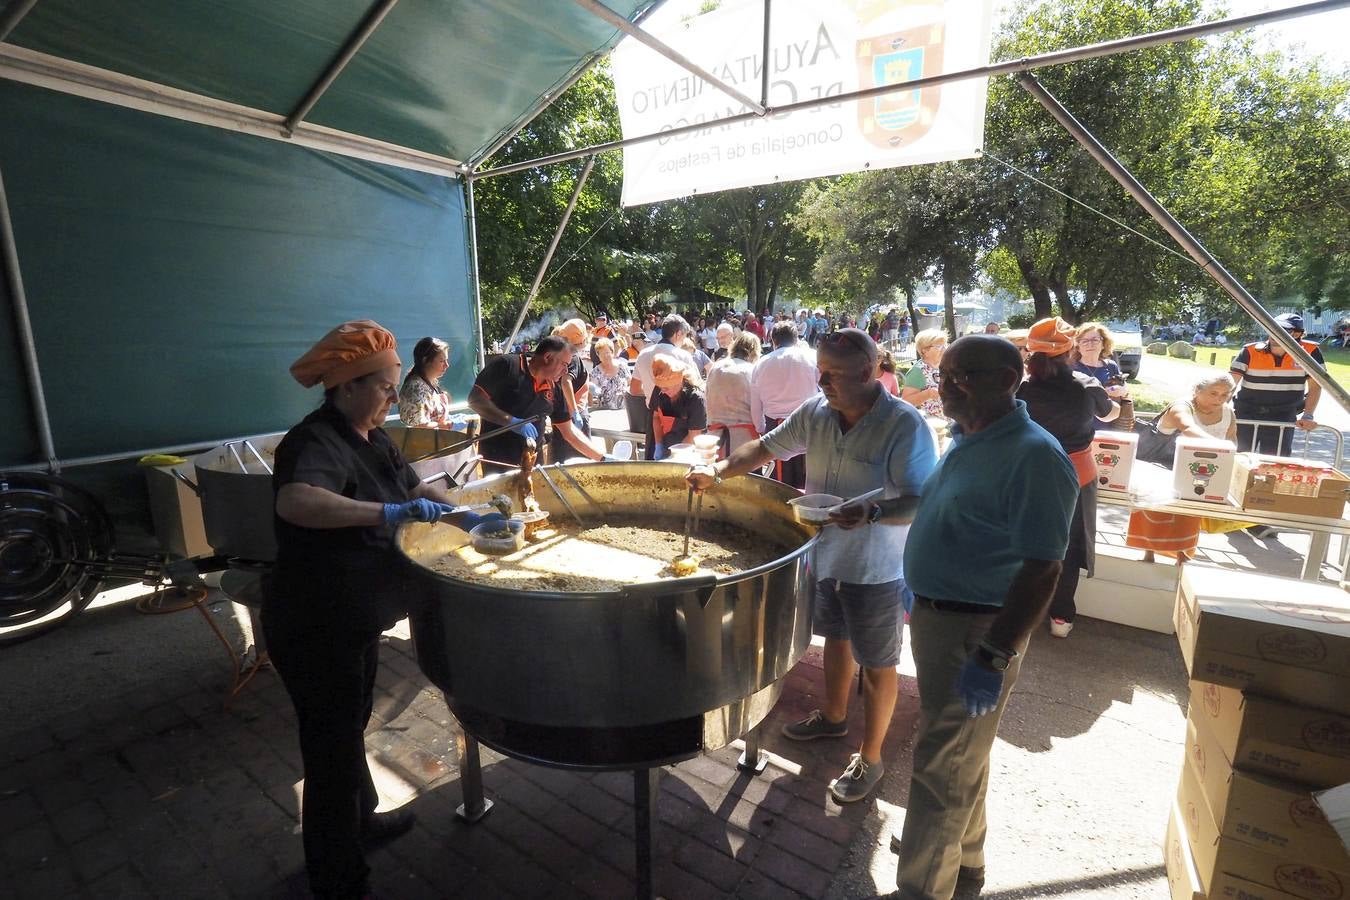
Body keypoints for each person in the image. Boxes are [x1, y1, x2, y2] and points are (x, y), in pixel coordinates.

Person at [264, 320, 505, 900]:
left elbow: (418, 491)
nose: (395, 397)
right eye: (385, 387)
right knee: (330, 747)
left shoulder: (375, 437)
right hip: (313, 619)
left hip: (355, 615)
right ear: (347, 386)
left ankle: (362, 822)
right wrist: (385, 514)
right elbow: (296, 502)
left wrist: (468, 515)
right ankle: (338, 879)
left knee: (351, 725)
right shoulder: (315, 441)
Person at [687, 328, 937, 804]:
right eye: (820, 372)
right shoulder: (816, 412)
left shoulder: (904, 425)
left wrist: (873, 511)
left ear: (867, 372)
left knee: (879, 663)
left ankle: (871, 757)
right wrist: (717, 472)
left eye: (833, 374)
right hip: (824, 555)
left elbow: (922, 499)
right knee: (835, 639)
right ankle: (835, 717)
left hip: (876, 566)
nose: (822, 382)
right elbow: (765, 448)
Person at [892, 334, 1077, 900]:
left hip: (978, 632)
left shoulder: (1034, 455)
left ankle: (923, 888)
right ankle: (965, 861)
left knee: (941, 764)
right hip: (938, 620)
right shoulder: (967, 436)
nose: (946, 386)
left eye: (962, 376)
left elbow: (1044, 569)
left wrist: (994, 653)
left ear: (1008, 379)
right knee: (961, 754)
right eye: (943, 374)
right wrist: (873, 512)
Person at [1016, 317, 1117, 639]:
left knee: (1023, 541)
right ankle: (1060, 615)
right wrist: (1119, 400)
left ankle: (1019, 611)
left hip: (1030, 473)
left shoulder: (1021, 388)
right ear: (1069, 350)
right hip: (1076, 474)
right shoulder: (1086, 385)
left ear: (1031, 352)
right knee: (1069, 547)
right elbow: (1110, 413)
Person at [1126, 373, 1239, 559]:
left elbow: (1232, 438)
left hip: (1199, 473)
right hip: (1159, 469)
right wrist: (1223, 448)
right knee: (1155, 512)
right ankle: (1148, 555)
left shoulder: (1228, 413)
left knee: (1188, 518)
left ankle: (1182, 555)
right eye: (1213, 393)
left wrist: (1230, 455)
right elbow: (1188, 428)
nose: (1219, 399)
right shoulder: (1181, 406)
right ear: (1197, 391)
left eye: (1225, 394)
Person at [468, 335, 602, 468]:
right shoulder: (507, 366)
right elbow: (475, 400)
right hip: (497, 461)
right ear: (547, 357)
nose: (566, 370)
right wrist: (511, 422)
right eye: (564, 364)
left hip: (533, 462)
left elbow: (570, 432)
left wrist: (601, 458)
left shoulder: (555, 388)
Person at [1231, 312, 1323, 456]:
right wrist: (1220, 407)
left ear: (1297, 334)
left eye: (1283, 330)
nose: (1274, 334)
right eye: (1271, 328)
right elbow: (1230, 383)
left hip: (1283, 416)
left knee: (1275, 462)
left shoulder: (1310, 351)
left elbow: (1315, 387)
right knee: (1237, 457)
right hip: (1246, 413)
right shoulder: (1250, 350)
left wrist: (1308, 416)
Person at [751, 320, 820, 489]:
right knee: (809, 479)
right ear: (796, 339)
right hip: (808, 425)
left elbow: (755, 403)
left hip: (777, 427)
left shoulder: (761, 363)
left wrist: (760, 428)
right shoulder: (812, 358)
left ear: (773, 341)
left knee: (781, 486)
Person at [704, 332, 762, 458]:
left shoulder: (716, 367)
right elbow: (757, 409)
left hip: (716, 437)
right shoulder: (752, 371)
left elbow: (706, 399)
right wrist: (761, 429)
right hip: (744, 440)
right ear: (754, 352)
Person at [1071, 321, 1132, 426]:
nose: (1090, 344)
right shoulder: (1070, 367)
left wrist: (1123, 391)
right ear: (1077, 346)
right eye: (1084, 341)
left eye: (1095, 340)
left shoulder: (1111, 366)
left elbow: (1124, 391)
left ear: (1104, 344)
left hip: (1107, 429)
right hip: (1077, 429)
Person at [646, 357, 706, 459]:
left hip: (689, 452)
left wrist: (674, 457)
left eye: (666, 388)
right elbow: (656, 417)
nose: (663, 391)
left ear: (678, 382)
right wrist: (658, 444)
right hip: (667, 446)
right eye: (660, 387)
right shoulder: (659, 391)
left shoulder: (695, 398)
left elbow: (694, 435)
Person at [397, 336, 453, 428]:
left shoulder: (431, 383)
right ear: (425, 360)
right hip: (423, 437)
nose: (447, 365)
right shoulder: (416, 388)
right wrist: (442, 425)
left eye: (446, 360)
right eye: (442, 361)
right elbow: (418, 426)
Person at [901, 329, 948, 418]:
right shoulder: (918, 371)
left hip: (951, 420)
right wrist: (928, 394)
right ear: (924, 351)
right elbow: (905, 402)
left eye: (945, 345)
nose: (944, 349)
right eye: (939, 347)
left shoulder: (946, 365)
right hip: (933, 422)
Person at [587, 337, 628, 411]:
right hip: (604, 412)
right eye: (601, 354)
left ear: (612, 352)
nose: (605, 356)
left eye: (607, 352)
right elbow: (591, 392)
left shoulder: (622, 366)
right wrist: (591, 407)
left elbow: (630, 384)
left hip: (623, 409)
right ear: (598, 356)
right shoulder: (595, 371)